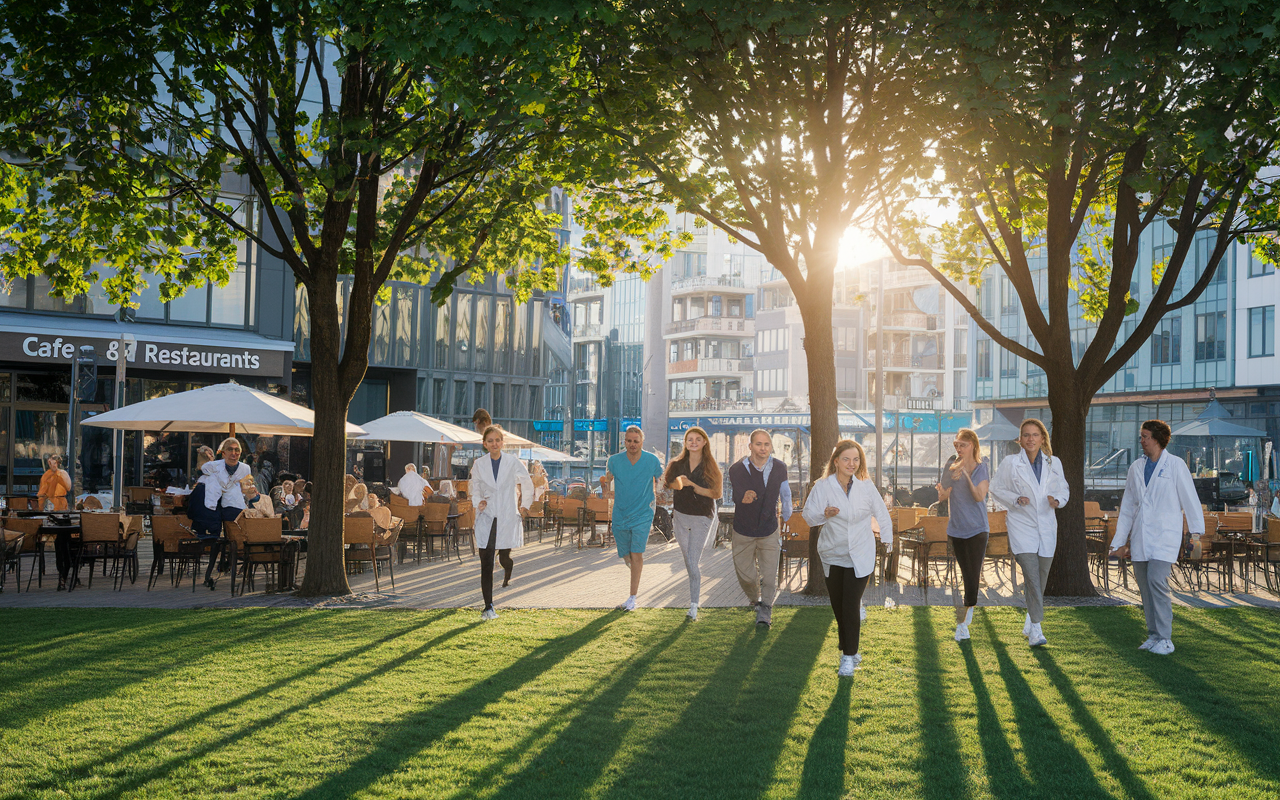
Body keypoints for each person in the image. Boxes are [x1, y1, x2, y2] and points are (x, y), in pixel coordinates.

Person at [1109, 419, 1202, 656]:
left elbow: (1190, 499)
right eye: (1141, 436)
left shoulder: (1175, 465)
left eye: (1145, 436)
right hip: (1141, 537)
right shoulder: (1135, 468)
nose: (1141, 440)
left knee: (1157, 582)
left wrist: (1196, 532)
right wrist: (1119, 541)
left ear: (1158, 439)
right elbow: (1128, 507)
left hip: (1165, 536)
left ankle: (1166, 638)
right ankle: (1153, 635)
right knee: (1145, 586)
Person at [802, 440, 892, 676]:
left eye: (856, 459)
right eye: (846, 459)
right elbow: (809, 516)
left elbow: (882, 513)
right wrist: (825, 514)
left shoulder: (866, 486)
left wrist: (887, 540)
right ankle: (848, 645)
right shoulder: (823, 486)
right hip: (833, 553)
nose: (851, 464)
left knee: (850, 605)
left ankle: (848, 657)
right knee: (839, 606)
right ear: (836, 462)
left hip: (861, 553)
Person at [989, 418, 1069, 647]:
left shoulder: (1054, 463)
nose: (1030, 439)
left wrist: (1058, 500)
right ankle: (1036, 628)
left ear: (1042, 438)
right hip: (1021, 525)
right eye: (1026, 435)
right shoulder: (1011, 463)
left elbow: (1063, 488)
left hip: (1046, 526)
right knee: (1032, 575)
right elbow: (996, 488)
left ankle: (1029, 620)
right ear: (1020, 440)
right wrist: (1015, 499)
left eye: (1035, 435)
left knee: (1041, 577)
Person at [728, 429, 793, 626]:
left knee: (770, 575)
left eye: (766, 444)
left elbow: (785, 493)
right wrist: (744, 497)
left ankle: (766, 609)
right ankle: (755, 598)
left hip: (769, 528)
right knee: (746, 576)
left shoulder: (780, 467)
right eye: (758, 444)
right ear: (750, 446)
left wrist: (787, 515)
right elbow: (736, 495)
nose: (762, 448)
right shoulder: (736, 469)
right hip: (743, 529)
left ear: (771, 447)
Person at [470, 426, 533, 620]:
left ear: (502, 442)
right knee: (486, 561)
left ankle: (498, 589)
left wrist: (525, 505)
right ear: (484, 444)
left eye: (497, 440)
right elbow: (475, 485)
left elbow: (527, 481)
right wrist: (477, 501)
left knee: (503, 555)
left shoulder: (512, 462)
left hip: (505, 514)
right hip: (487, 514)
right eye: (490, 441)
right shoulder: (479, 464)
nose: (494, 444)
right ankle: (488, 606)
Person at [600, 425, 665, 612]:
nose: (632, 444)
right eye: (629, 441)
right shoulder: (614, 460)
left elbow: (662, 480)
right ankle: (635, 567)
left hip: (644, 513)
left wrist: (666, 491)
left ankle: (632, 598)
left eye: (636, 441)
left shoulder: (651, 460)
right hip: (620, 514)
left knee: (637, 553)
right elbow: (608, 481)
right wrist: (604, 484)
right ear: (624, 442)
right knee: (626, 555)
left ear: (641, 441)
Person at [662, 426, 723, 621]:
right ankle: (694, 598)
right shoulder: (676, 463)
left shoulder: (711, 466)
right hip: (680, 515)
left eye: (698, 439)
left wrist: (694, 486)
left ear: (704, 442)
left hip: (702, 516)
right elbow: (667, 484)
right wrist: (678, 483)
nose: (694, 442)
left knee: (692, 561)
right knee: (688, 559)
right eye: (690, 439)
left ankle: (694, 606)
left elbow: (717, 494)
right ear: (685, 443)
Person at [935, 429, 990, 642]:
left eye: (962, 445)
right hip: (956, 529)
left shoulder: (982, 467)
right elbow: (943, 495)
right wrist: (941, 489)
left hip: (977, 529)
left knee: (972, 574)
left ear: (973, 445)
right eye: (956, 444)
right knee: (965, 572)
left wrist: (966, 475)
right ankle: (966, 617)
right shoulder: (950, 463)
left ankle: (964, 623)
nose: (958, 448)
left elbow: (978, 496)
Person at [200, 437, 252, 589]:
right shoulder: (214, 466)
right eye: (230, 450)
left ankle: (230, 560)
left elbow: (247, 488)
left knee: (237, 531)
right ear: (223, 453)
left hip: (234, 507)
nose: (234, 453)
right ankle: (213, 569)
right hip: (215, 506)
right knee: (216, 537)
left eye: (237, 450)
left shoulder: (245, 468)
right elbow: (204, 469)